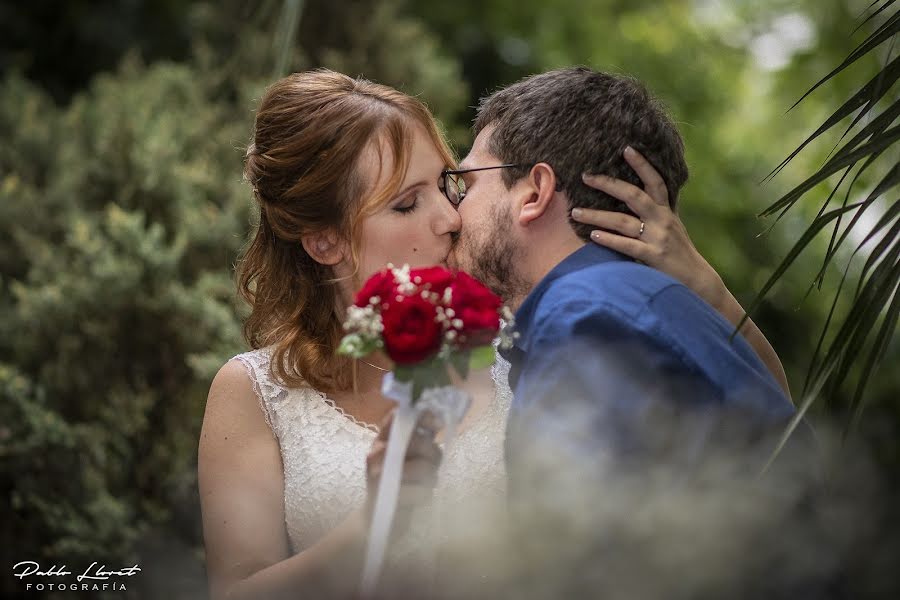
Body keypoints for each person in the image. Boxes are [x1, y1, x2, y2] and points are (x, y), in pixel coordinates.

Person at [198, 68, 791, 600]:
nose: (449, 218)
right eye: (407, 204)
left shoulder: (528, 336)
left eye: (449, 186)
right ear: (325, 241)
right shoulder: (257, 392)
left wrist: (703, 286)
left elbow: (765, 404)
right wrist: (375, 522)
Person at [447, 66, 800, 598]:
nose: (453, 211)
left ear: (534, 192)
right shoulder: (637, 305)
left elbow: (580, 565)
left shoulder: (588, 317)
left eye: (467, 183)